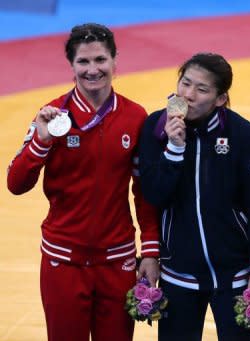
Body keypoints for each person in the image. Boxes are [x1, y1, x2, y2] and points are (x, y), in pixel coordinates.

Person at [6, 23, 160, 341]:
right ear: (71, 66)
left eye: (101, 60)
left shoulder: (135, 116)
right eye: (84, 62)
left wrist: (150, 250)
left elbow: (143, 192)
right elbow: (16, 183)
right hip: (63, 260)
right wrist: (42, 141)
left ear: (116, 61)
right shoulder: (51, 116)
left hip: (117, 262)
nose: (93, 70)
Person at [138, 52, 250, 341]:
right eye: (185, 83)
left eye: (201, 89)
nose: (188, 95)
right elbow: (152, 194)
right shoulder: (155, 127)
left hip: (236, 275)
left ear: (221, 98)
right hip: (178, 274)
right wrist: (175, 149)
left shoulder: (243, 136)